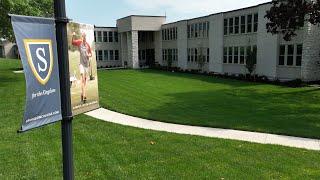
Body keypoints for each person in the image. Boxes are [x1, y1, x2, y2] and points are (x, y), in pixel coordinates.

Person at [72, 32, 92, 103]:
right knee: (83, 79)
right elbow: (73, 42)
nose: (84, 38)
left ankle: (82, 94)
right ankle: (84, 96)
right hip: (81, 64)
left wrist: (88, 55)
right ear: (82, 37)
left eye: (85, 36)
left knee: (85, 81)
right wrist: (73, 35)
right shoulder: (79, 42)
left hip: (86, 65)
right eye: (83, 36)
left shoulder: (88, 45)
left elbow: (90, 54)